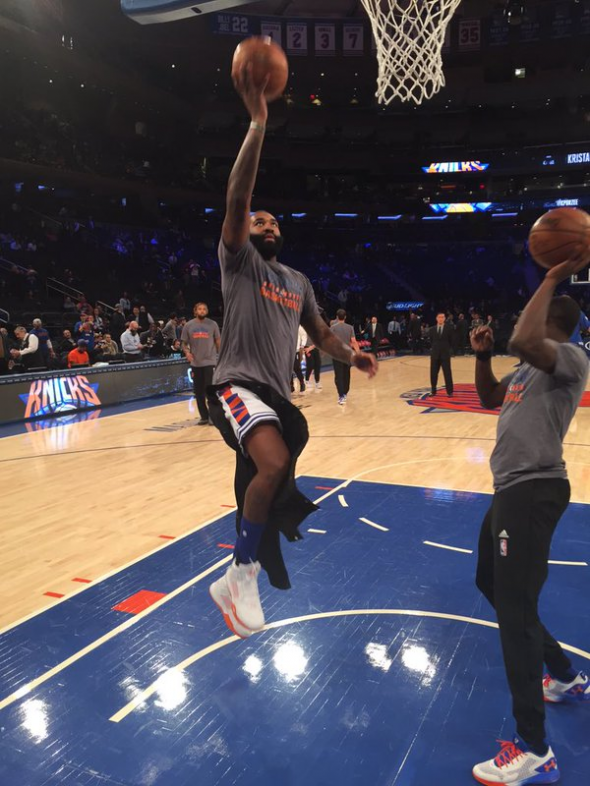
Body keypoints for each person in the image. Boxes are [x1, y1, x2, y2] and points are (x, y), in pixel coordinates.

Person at [208, 64, 377, 640]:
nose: (267, 222)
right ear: (245, 231)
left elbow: (323, 334)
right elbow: (236, 197)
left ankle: (245, 560)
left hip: (274, 394)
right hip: (233, 385)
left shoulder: (299, 280)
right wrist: (258, 121)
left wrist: (352, 357)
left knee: (283, 454)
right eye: (260, 219)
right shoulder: (239, 262)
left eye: (275, 220)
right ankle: (240, 573)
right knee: (275, 464)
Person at [470, 251, 590, 786]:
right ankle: (564, 675)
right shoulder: (526, 368)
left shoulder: (571, 357)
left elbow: (524, 339)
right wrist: (481, 355)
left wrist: (550, 277)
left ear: (552, 323)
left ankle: (534, 749)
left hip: (534, 488)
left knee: (515, 612)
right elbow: (491, 395)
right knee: (489, 582)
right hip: (509, 490)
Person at [181, 302, 221, 425]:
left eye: (204, 309)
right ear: (195, 311)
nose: (202, 311)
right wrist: (187, 353)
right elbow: (184, 343)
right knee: (198, 392)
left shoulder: (213, 324)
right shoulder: (188, 325)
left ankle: (213, 417)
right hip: (195, 363)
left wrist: (220, 356)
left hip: (210, 361)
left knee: (210, 391)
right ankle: (204, 416)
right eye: (200, 309)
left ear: (207, 311)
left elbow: (218, 341)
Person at [330, 309, 361, 405]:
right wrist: (358, 353)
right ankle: (345, 392)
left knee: (338, 376)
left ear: (336, 316)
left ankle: (341, 395)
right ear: (345, 317)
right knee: (346, 374)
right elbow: (354, 341)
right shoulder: (350, 328)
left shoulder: (333, 328)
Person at [429, 312, 454, 397]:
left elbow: (451, 340)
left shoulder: (449, 328)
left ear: (444, 319)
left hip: (445, 354)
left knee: (447, 373)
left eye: (442, 317)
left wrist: (448, 350)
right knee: (433, 373)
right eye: (439, 317)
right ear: (436, 318)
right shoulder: (432, 329)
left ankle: (450, 392)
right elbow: (431, 341)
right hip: (435, 354)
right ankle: (433, 390)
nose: (441, 319)